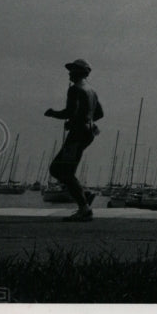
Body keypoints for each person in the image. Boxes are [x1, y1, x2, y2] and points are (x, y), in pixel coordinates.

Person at [44, 58, 103, 222]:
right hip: (88, 133)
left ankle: (84, 207)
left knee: (60, 170)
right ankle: (84, 200)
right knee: (64, 170)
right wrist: (84, 119)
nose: (69, 73)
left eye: (72, 70)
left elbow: (69, 112)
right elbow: (99, 113)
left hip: (78, 134)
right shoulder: (92, 90)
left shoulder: (75, 89)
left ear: (80, 72)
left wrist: (53, 113)